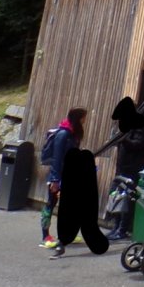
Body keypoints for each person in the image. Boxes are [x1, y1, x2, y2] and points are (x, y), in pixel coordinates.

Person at [39, 107, 85, 250]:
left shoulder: (72, 133)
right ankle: (45, 236)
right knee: (51, 204)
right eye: (83, 117)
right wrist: (54, 180)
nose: (85, 120)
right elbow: (57, 158)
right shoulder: (63, 134)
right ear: (78, 118)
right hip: (58, 176)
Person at [104, 119, 144, 241]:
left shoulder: (140, 129)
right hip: (122, 169)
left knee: (127, 200)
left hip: (132, 170)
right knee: (116, 197)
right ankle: (116, 226)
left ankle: (122, 229)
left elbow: (138, 145)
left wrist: (123, 140)